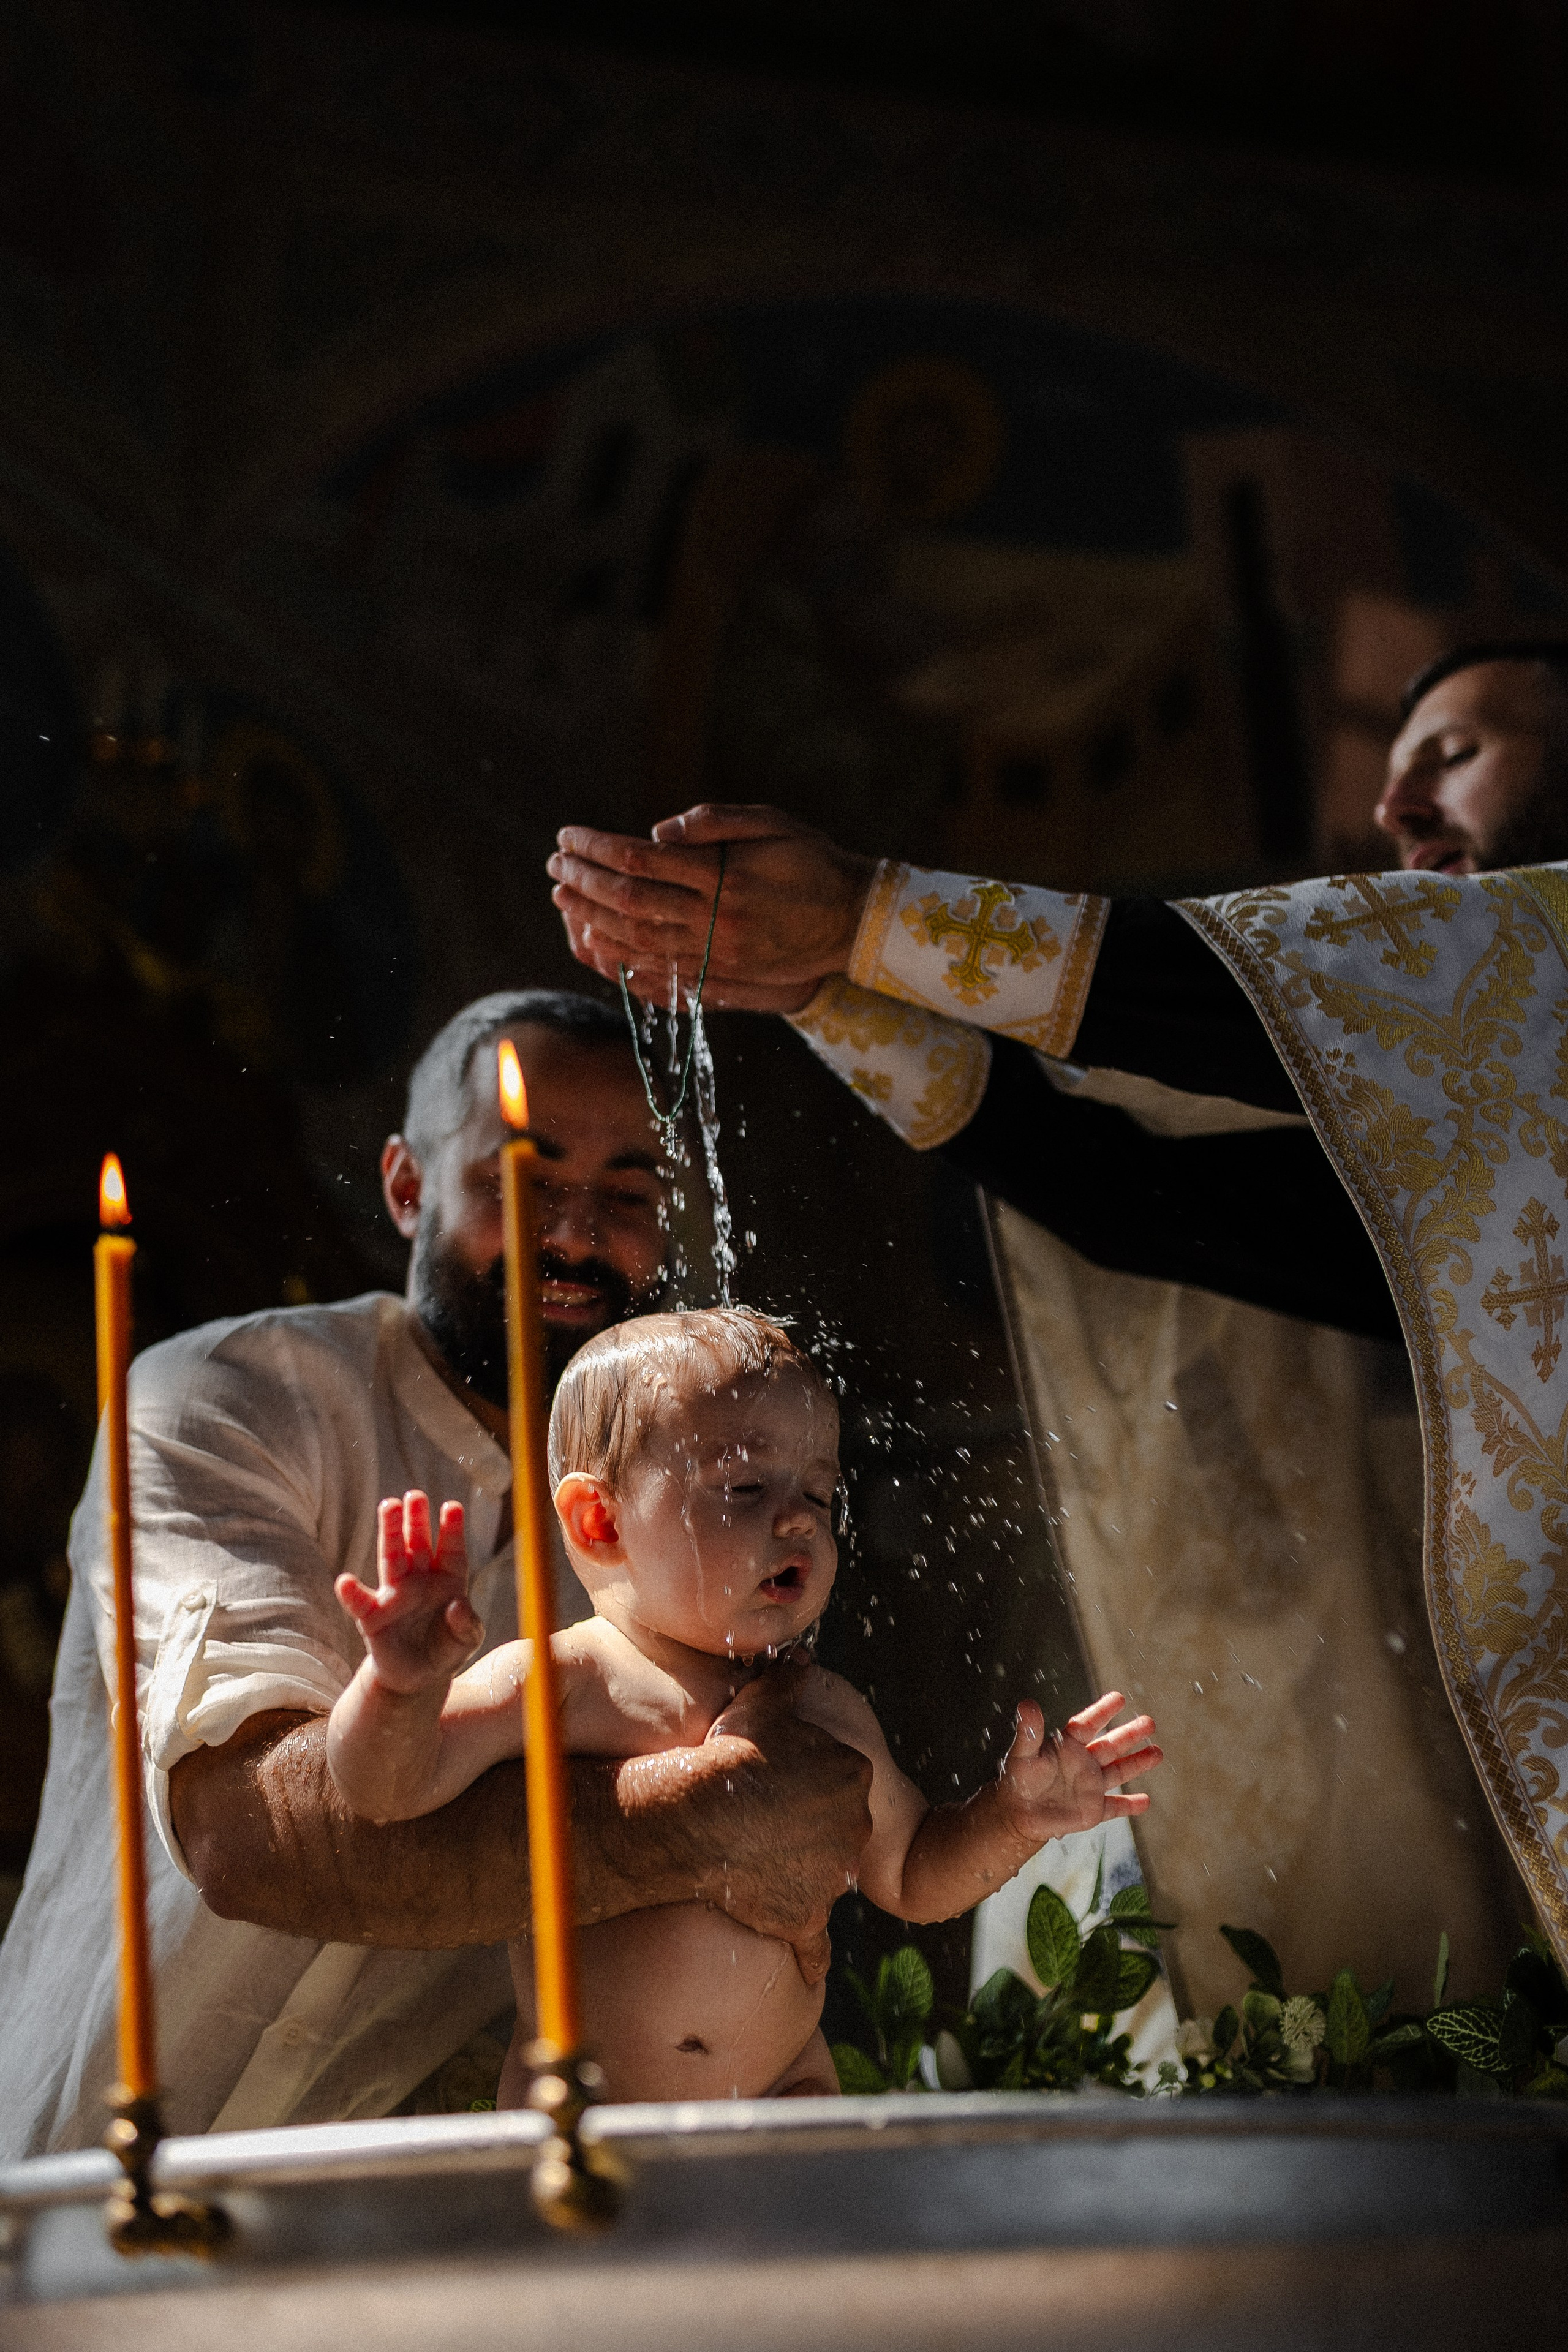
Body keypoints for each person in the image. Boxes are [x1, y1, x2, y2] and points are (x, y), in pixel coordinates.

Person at [0, 992, 872, 2156]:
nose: (575, 1233)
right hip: (92, 2164)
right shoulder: (215, 1397)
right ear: (409, 1187)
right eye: (525, 1176)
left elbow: (784, 1819)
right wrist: (701, 1819)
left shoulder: (705, 1532)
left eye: (630, 1194)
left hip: (408, 2204)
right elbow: (247, 1833)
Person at [546, 641, 1568, 1340]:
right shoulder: (1491, 1169)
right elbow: (1137, 1204)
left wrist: (861, 916)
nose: (1394, 807)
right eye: (1395, 777)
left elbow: (1230, 998)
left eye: (1457, 755)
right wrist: (824, 991)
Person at [325, 1307, 1161, 2102]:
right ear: (599, 1522)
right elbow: (383, 1790)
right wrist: (399, 1686)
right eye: (747, 1487)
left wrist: (1008, 1820)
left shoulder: (825, 1709)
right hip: (598, 2116)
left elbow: (910, 1874)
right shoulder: (564, 1682)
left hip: (786, 2093)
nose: (798, 1520)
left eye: (820, 1496)